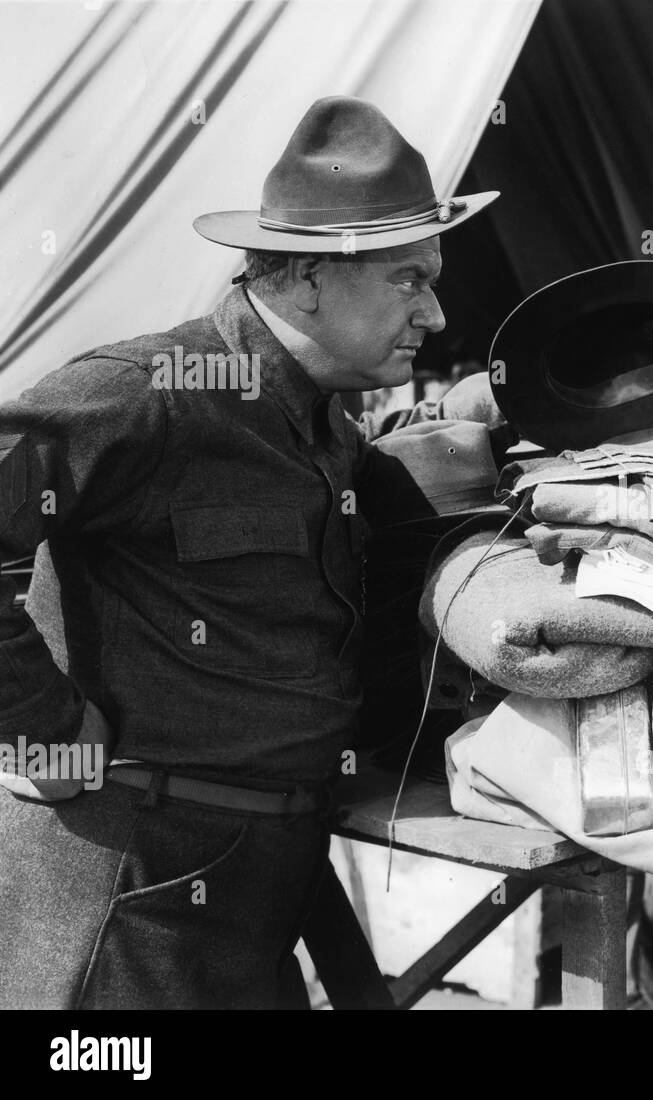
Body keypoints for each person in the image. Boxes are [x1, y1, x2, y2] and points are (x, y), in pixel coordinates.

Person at [0, 96, 501, 1009]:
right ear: (308, 278)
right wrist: (44, 732)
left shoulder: (330, 429)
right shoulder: (155, 392)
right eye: (406, 280)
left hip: (260, 891)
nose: (433, 311)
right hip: (129, 896)